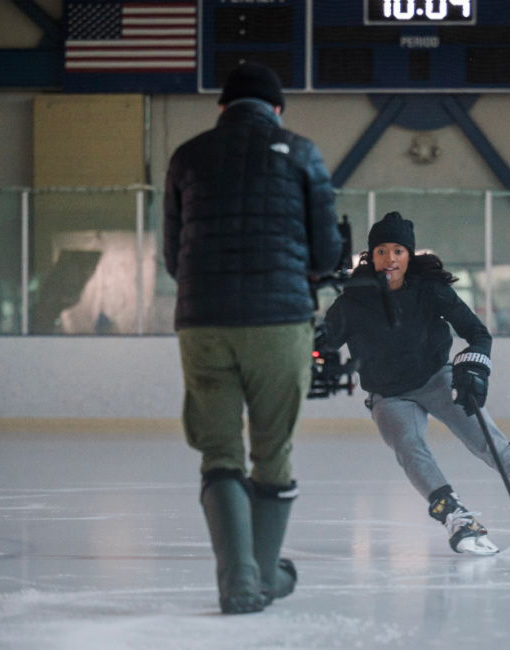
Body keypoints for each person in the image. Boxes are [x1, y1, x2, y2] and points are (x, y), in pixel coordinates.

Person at [321, 212, 510, 555]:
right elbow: (319, 346)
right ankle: (457, 519)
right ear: (371, 255)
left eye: (398, 250)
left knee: (493, 446)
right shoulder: (352, 303)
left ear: (409, 255)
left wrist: (474, 369)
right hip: (389, 395)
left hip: (436, 380)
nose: (390, 259)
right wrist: (315, 362)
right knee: (410, 448)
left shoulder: (429, 290)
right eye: (381, 250)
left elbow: (477, 333)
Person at [163, 62, 342, 614]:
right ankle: (263, 575)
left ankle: (239, 579)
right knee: (273, 452)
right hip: (279, 321)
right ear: (277, 109)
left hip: (203, 321)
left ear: (222, 108)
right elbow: (327, 255)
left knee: (218, 451)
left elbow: (173, 257)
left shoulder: (187, 156)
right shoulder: (302, 151)